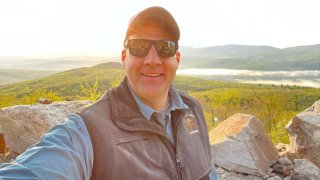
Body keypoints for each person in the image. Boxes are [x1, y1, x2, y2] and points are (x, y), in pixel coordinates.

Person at [0, 6, 218, 180]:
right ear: (124, 58)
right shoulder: (89, 132)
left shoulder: (192, 110)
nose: (152, 60)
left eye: (165, 47)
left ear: (177, 59)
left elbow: (207, 171)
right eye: (139, 46)